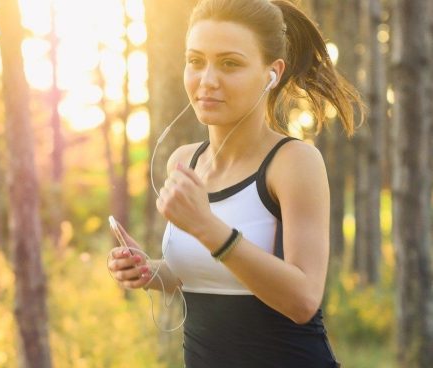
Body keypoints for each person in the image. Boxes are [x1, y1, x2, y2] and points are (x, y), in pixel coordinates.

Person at [107, 0, 364, 367]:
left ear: (272, 73)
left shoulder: (293, 162)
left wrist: (207, 227)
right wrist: (149, 271)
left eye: (230, 63)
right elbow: (204, 277)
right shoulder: (184, 160)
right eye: (196, 61)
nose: (207, 80)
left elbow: (303, 300)